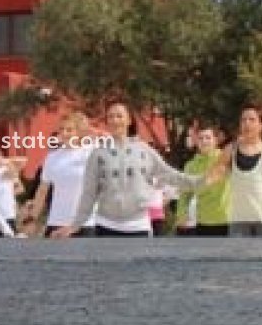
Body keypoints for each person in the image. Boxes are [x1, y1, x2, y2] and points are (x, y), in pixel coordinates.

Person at [54, 100, 202, 238]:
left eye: (119, 116)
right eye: (111, 117)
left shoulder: (144, 150)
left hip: (138, 227)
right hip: (106, 227)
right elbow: (89, 193)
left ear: (129, 120)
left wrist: (201, 181)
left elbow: (169, 174)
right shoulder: (98, 153)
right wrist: (74, 225)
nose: (115, 120)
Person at [202, 106, 262, 237]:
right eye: (243, 120)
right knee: (239, 257)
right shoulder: (230, 150)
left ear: (261, 125)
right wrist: (196, 182)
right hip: (239, 221)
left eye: (252, 119)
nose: (247, 123)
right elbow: (214, 174)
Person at [28, 110, 96, 237]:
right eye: (61, 129)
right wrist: (32, 219)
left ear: (78, 132)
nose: (65, 133)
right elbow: (42, 191)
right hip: (56, 222)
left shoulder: (91, 153)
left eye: (69, 130)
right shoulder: (52, 157)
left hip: (85, 225)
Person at [179, 126, 231, 236]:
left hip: (227, 221)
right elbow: (185, 194)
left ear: (216, 140)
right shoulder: (190, 166)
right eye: (200, 138)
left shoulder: (226, 159)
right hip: (203, 221)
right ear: (196, 141)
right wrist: (182, 215)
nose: (204, 141)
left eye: (208, 138)